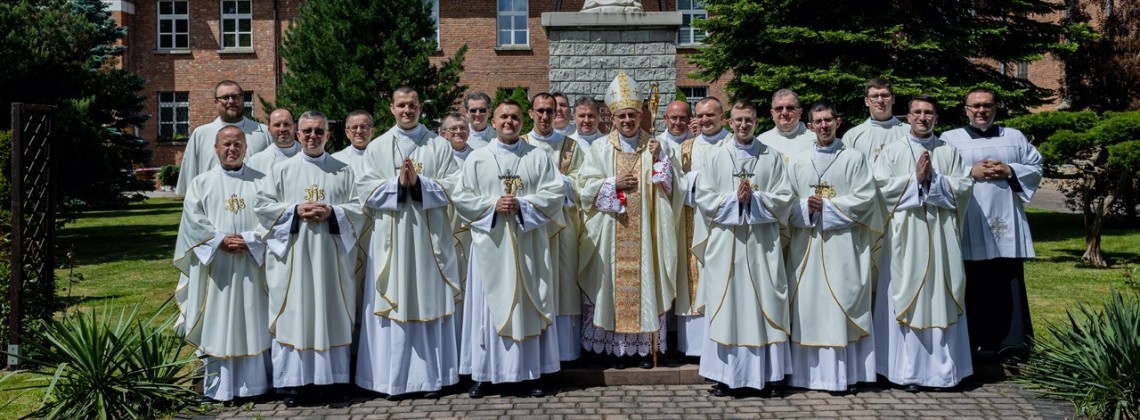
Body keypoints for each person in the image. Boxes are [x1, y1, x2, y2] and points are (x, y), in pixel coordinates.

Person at [353, 87, 463, 399]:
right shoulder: (377, 147)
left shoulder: (439, 145)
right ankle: (391, 381)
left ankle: (431, 379)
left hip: (429, 239)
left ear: (421, 107)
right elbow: (364, 192)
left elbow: (455, 187)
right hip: (392, 239)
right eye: (401, 105)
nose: (407, 110)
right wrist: (397, 185)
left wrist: (420, 184)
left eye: (412, 105)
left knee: (428, 298)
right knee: (395, 300)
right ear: (391, 108)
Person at [452, 99, 565, 398]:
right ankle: (485, 375)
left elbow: (555, 194)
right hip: (491, 246)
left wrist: (523, 204)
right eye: (504, 117)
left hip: (528, 246)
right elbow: (461, 198)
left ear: (522, 120)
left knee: (529, 305)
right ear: (494, 120)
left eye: (514, 117)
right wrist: (492, 205)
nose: (509, 122)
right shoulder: (478, 158)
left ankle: (531, 374)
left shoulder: (538, 157)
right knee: (486, 311)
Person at [254, 110, 364, 407]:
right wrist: (294, 211)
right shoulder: (280, 171)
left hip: (331, 259)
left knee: (331, 312)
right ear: (298, 135)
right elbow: (262, 208)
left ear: (328, 135)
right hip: (294, 260)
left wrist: (333, 212)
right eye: (307, 131)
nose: (313, 136)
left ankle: (336, 381)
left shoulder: (343, 171)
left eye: (319, 131)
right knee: (295, 313)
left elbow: (358, 210)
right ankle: (293, 384)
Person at [577, 72, 684, 369]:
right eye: (622, 115)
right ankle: (614, 351)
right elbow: (584, 188)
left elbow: (675, 188)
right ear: (612, 118)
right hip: (611, 233)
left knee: (645, 285)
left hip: (646, 235)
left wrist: (662, 161)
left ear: (641, 116)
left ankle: (642, 350)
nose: (627, 120)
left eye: (632, 115)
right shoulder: (600, 148)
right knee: (609, 289)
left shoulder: (656, 146)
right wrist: (611, 184)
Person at [692, 100, 794, 397]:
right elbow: (705, 200)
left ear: (757, 122)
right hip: (727, 245)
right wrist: (735, 200)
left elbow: (785, 197)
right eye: (738, 120)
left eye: (749, 120)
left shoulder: (771, 157)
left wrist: (756, 200)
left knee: (767, 304)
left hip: (762, 245)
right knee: (728, 306)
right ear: (730, 122)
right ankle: (726, 376)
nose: (743, 125)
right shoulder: (715, 157)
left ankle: (772, 377)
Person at [873, 95, 974, 391]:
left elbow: (964, 187)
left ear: (936, 118)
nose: (922, 117)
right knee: (904, 295)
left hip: (942, 240)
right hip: (904, 240)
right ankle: (906, 373)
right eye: (917, 112)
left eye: (928, 112)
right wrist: (914, 180)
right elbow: (880, 189)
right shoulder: (891, 152)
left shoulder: (949, 152)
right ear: (907, 117)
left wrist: (935, 180)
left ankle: (945, 373)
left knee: (942, 294)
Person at [784, 101, 884, 394]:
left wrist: (827, 207)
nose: (824, 126)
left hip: (844, 248)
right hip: (807, 249)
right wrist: (806, 207)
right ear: (811, 125)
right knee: (809, 307)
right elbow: (786, 204)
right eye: (818, 121)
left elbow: (866, 199)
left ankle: (846, 375)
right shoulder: (799, 162)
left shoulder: (854, 158)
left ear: (838, 122)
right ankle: (805, 376)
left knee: (843, 304)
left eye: (829, 120)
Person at [942, 87, 1043, 365]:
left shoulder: (1014, 137)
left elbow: (1036, 167)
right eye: (975, 106)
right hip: (969, 221)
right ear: (965, 109)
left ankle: (1012, 346)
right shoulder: (949, 139)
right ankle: (971, 343)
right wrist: (970, 172)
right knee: (971, 283)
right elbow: (940, 174)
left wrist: (1009, 170)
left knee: (1008, 281)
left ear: (996, 107)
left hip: (1006, 223)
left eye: (986, 105)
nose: (981, 111)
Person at [174, 126, 271, 403]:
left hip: (253, 265)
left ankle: (257, 386)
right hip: (217, 268)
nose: (232, 149)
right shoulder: (201, 183)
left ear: (246, 147)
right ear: (216, 148)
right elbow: (193, 223)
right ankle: (221, 387)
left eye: (238, 144)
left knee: (254, 319)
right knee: (218, 321)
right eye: (226, 144)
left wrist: (251, 240)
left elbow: (271, 218)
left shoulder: (262, 182)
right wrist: (219, 240)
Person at [522, 92, 586, 363]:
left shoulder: (571, 146)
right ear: (531, 113)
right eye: (540, 111)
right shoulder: (520, 143)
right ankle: (533, 348)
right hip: (529, 225)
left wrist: (556, 181)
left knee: (563, 284)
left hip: (563, 224)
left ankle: (564, 351)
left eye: (551, 110)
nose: (546, 116)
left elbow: (583, 184)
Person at [675, 97, 731, 359]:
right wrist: (690, 181)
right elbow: (676, 185)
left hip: (725, 224)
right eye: (701, 115)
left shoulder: (732, 143)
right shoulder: (687, 147)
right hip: (694, 220)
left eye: (711, 115)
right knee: (694, 277)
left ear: (722, 115)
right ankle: (696, 346)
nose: (706, 120)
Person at [176, 80, 272, 195]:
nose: (231, 101)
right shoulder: (201, 134)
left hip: (255, 203)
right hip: (213, 202)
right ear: (216, 102)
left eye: (236, 96)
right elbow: (190, 181)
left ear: (243, 99)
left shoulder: (264, 132)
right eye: (225, 97)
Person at [845, 78, 911, 163]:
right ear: (866, 101)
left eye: (885, 95)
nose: (880, 100)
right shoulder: (852, 136)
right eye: (874, 96)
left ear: (893, 99)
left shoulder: (909, 132)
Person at [757, 89, 816, 163]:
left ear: (800, 112)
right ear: (772, 113)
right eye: (779, 108)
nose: (784, 112)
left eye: (790, 108)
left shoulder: (815, 140)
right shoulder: (761, 142)